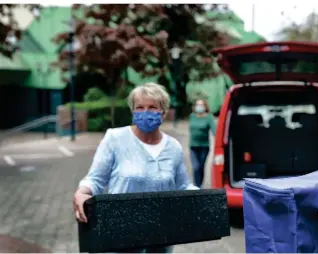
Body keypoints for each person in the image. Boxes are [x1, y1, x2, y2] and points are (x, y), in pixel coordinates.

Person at [73, 82, 197, 253]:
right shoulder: (115, 138)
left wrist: (204, 200)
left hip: (160, 237)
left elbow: (183, 186)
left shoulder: (173, 147)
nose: (145, 112)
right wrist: (83, 192)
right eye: (140, 107)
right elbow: (95, 179)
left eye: (153, 107)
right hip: (121, 235)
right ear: (132, 111)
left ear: (163, 112)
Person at [188, 99, 216, 188]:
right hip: (193, 146)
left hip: (204, 146)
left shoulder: (209, 117)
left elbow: (214, 131)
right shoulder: (192, 116)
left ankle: (200, 185)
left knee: (201, 167)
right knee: (195, 167)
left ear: (205, 106)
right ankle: (197, 187)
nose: (199, 106)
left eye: (201, 105)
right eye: (197, 105)